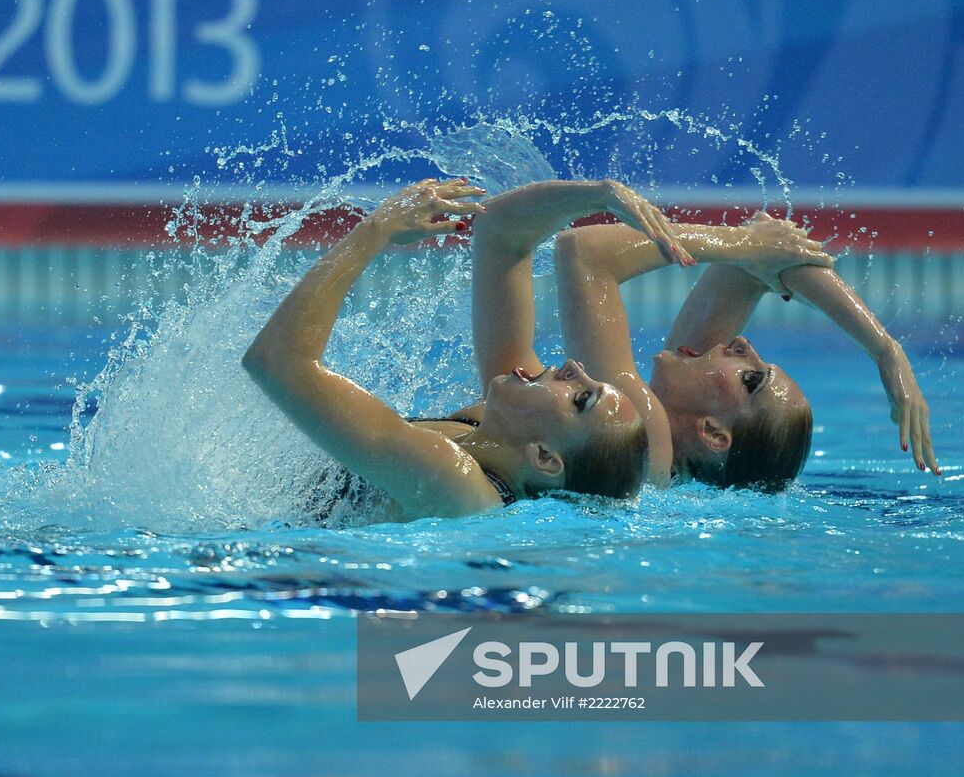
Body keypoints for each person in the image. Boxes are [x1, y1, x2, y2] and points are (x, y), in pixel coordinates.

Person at [470, 179, 938, 491]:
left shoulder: (648, 445)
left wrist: (743, 245)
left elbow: (584, 252)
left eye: (750, 379)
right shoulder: (554, 420)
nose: (744, 345)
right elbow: (759, 257)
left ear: (712, 432)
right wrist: (885, 350)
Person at [243, 177, 662, 520]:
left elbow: (277, 363)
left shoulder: (454, 483)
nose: (573, 367)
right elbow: (503, 234)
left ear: (544, 457)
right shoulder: (497, 424)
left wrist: (376, 230)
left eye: (581, 398)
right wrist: (599, 194)